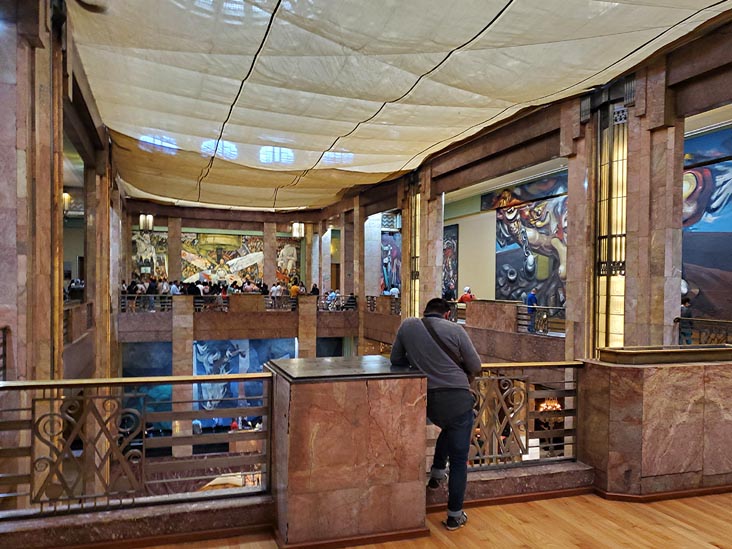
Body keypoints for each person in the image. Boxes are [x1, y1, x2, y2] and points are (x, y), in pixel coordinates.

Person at [390, 298, 481, 532]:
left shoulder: (408, 326)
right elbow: (475, 365)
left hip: (426, 399)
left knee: (448, 429)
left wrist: (419, 360)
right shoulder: (455, 330)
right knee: (459, 459)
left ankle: (437, 474)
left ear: (425, 312)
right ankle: (454, 516)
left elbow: (395, 360)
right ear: (447, 314)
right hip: (457, 398)